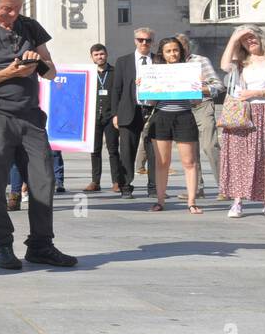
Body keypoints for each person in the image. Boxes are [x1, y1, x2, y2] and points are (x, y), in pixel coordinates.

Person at [0, 0, 76, 270]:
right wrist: (9, 72)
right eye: (6, 9)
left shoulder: (30, 27)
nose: (12, 14)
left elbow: (51, 72)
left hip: (30, 116)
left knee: (43, 179)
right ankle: (1, 245)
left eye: (17, 7)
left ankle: (41, 244)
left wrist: (36, 63)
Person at [218, 24, 265, 219]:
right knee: (239, 156)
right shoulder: (240, 63)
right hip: (242, 112)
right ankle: (237, 201)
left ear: (261, 38)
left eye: (252, 37)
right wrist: (234, 37)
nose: (250, 41)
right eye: (245, 39)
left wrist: (256, 92)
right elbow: (223, 65)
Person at [145, 37, 209, 214]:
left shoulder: (190, 70)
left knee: (189, 162)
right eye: (168, 51)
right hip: (162, 116)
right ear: (162, 54)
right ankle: (160, 200)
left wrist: (199, 86)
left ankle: (192, 201)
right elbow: (149, 101)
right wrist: (144, 87)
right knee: (162, 162)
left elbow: (196, 100)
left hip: (184, 116)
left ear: (180, 52)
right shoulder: (155, 71)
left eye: (175, 50)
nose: (173, 54)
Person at [112, 27, 160, 198]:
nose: (144, 43)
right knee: (127, 151)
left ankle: (154, 188)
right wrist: (115, 114)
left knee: (154, 152)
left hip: (153, 111)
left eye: (147, 40)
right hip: (129, 110)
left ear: (152, 42)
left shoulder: (159, 61)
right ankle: (125, 187)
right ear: (135, 41)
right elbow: (116, 89)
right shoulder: (123, 61)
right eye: (141, 40)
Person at [176, 33, 224, 199]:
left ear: (188, 47)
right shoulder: (169, 65)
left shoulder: (200, 61)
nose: (177, 52)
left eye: (181, 48)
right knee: (190, 151)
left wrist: (197, 87)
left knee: (210, 146)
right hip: (181, 109)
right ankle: (196, 188)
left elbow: (218, 86)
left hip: (202, 105)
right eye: (175, 49)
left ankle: (225, 187)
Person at [83, 44, 123, 193]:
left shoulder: (114, 72)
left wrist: (117, 114)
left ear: (106, 55)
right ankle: (95, 181)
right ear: (92, 57)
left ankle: (116, 181)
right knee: (94, 150)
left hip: (110, 116)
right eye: (96, 55)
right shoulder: (89, 73)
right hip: (93, 117)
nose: (99, 57)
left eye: (102, 54)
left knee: (113, 150)